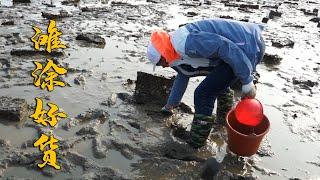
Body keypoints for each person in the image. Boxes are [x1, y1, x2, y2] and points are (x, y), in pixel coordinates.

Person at [146, 18, 265, 148]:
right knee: (216, 83)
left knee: (203, 94)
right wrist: (169, 106)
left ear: (163, 54)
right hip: (244, 45)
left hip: (248, 45)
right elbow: (182, 76)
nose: (162, 67)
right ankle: (223, 122)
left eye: (159, 63)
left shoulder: (184, 43)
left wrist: (247, 81)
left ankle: (196, 143)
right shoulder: (175, 53)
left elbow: (224, 46)